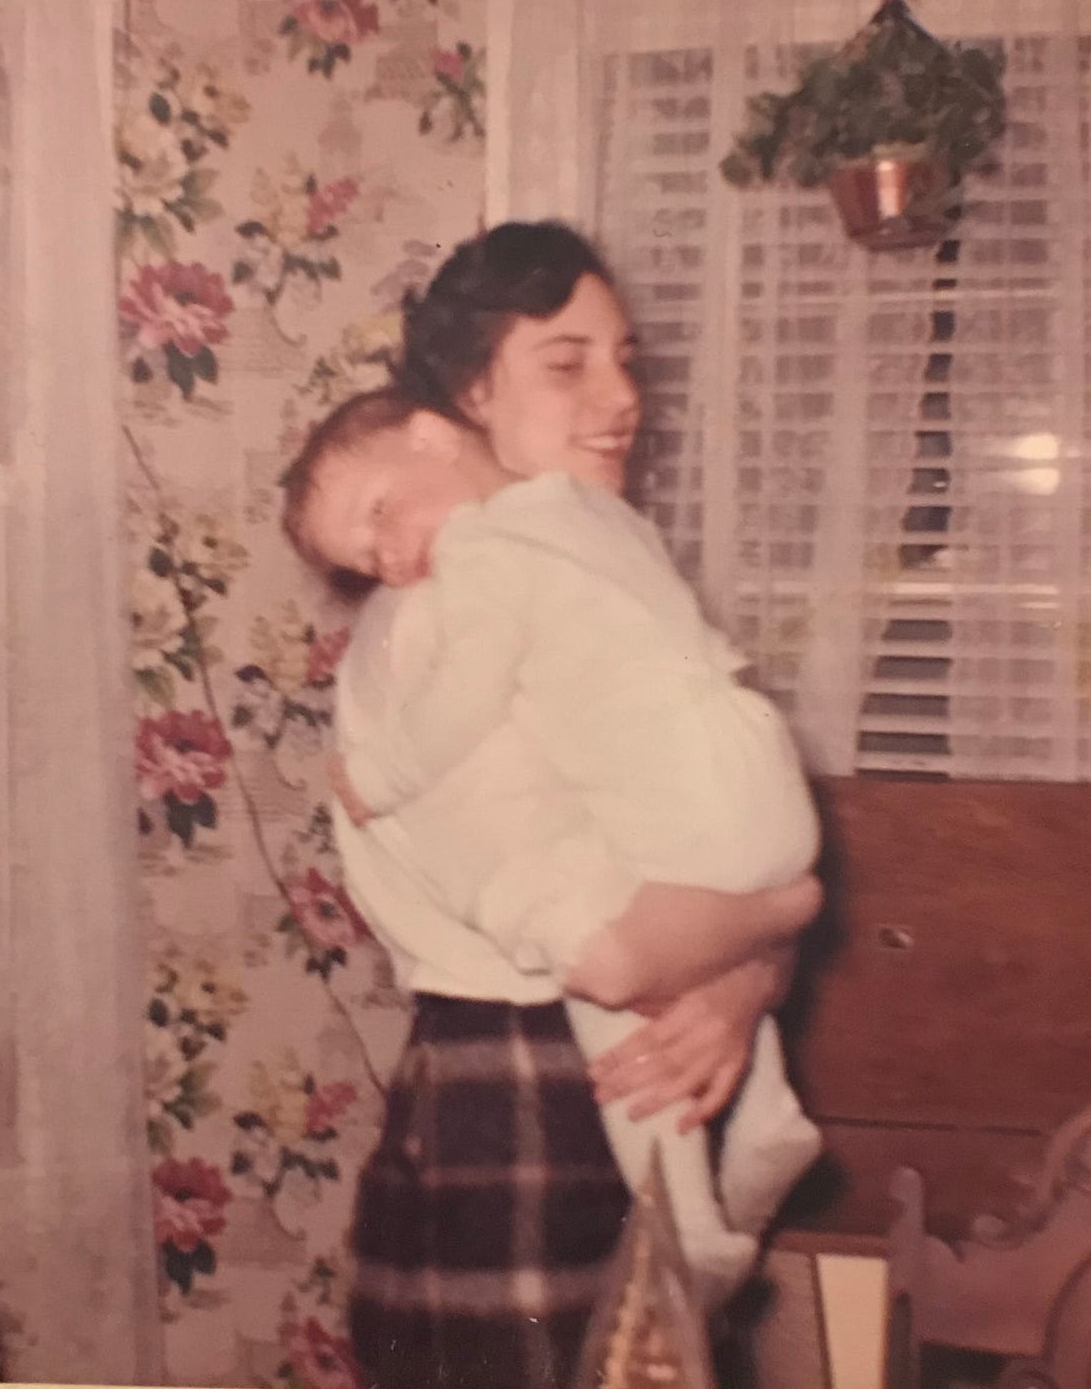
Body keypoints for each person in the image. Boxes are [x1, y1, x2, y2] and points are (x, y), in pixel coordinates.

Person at [306, 221, 817, 1389]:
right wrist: (790, 906)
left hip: (603, 1084)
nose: (619, 395)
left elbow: (681, 860)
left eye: (626, 358)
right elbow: (614, 949)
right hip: (521, 1097)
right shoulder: (436, 630)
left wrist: (746, 972)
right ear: (465, 398)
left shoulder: (572, 583)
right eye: (566, 360)